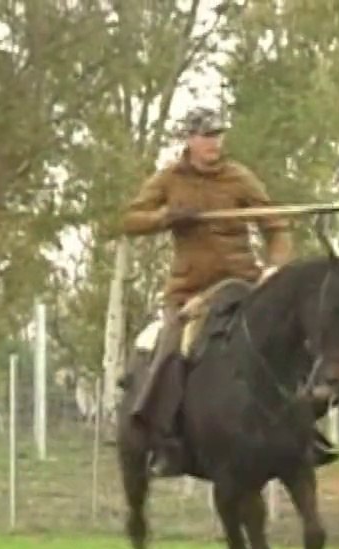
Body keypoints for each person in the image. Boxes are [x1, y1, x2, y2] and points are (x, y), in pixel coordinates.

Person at [118, 106, 296, 476]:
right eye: (207, 136)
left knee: (290, 340)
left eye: (218, 136)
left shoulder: (239, 178)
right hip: (189, 292)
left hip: (241, 288)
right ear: (190, 139)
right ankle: (160, 438)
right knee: (170, 350)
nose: (214, 143)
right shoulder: (168, 179)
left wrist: (275, 268)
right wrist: (165, 218)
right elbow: (129, 219)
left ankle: (300, 436)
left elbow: (276, 225)